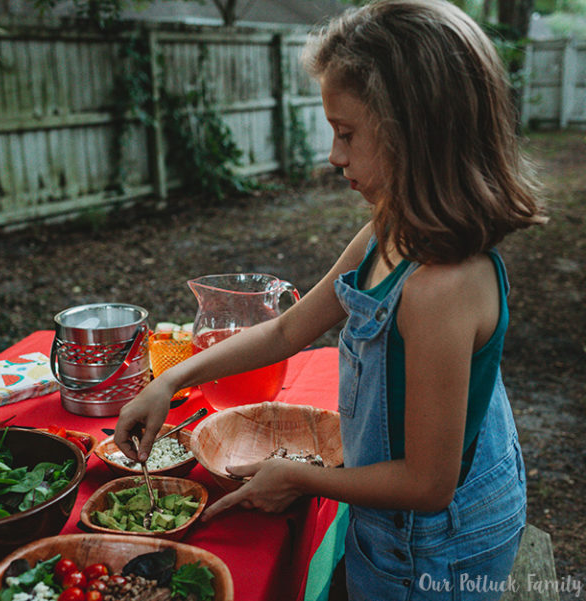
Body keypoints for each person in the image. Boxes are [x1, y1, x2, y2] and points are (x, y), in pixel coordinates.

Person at [115, 1, 546, 598]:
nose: (333, 156)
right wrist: (166, 382)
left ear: (415, 135)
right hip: (395, 521)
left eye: (347, 134)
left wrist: (297, 477)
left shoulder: (443, 288)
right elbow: (289, 331)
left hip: (437, 548)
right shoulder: (387, 230)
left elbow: (427, 484)